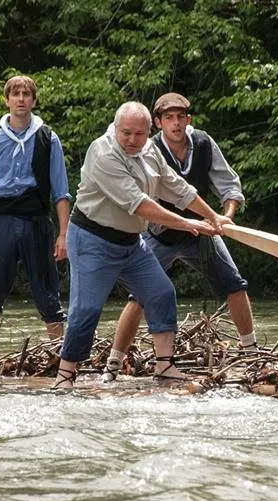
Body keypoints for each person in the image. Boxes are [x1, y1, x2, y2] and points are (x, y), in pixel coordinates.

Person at [53, 101, 231, 389]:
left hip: (131, 243)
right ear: (115, 127)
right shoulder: (103, 152)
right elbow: (139, 204)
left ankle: (165, 366)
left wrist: (213, 216)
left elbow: (177, 188)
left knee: (161, 292)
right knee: (86, 308)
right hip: (93, 240)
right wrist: (188, 224)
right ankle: (65, 374)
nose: (133, 140)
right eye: (127, 133)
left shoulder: (149, 150)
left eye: (140, 134)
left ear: (150, 131)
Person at [102, 92, 257, 381]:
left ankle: (251, 353)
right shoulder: (148, 148)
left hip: (200, 232)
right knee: (139, 297)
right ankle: (113, 364)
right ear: (158, 123)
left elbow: (228, 183)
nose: (176, 124)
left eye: (181, 117)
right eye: (169, 118)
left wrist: (227, 215)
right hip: (159, 234)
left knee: (235, 283)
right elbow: (141, 196)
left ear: (189, 120)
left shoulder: (203, 143)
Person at [0, 75, 71, 368]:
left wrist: (64, 234)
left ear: (34, 100)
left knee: (47, 293)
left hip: (36, 221)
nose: (21, 99)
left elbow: (60, 190)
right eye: (15, 94)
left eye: (27, 94)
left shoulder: (48, 137)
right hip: (1, 221)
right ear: (7, 100)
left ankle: (60, 361)